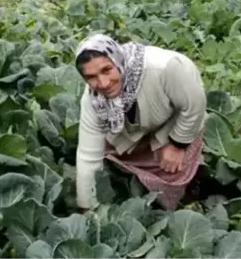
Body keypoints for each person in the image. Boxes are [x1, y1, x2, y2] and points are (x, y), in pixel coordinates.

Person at [74, 34, 207, 211]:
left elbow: (194, 107)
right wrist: (87, 207)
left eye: (107, 70)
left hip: (176, 118)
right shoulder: (93, 99)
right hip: (136, 127)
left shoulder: (165, 69)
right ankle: (136, 180)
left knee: (172, 167)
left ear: (118, 60)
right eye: (91, 77)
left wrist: (177, 144)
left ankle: (176, 203)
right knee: (110, 156)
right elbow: (88, 156)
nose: (103, 83)